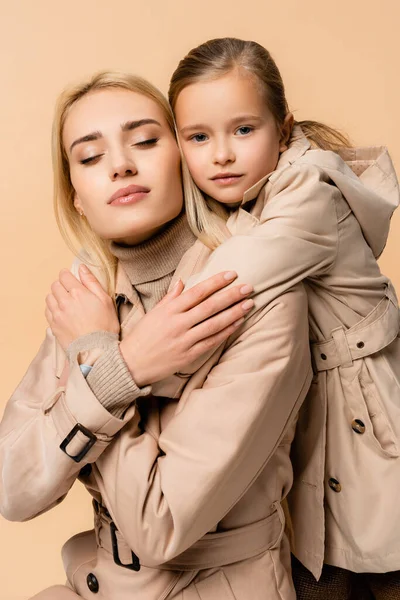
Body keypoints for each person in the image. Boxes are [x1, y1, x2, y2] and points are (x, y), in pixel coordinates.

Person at [0, 71, 312, 600]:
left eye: (144, 141)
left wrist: (101, 360)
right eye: (90, 157)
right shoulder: (87, 298)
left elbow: (160, 527)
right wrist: (122, 368)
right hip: (98, 580)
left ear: (184, 159)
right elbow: (13, 486)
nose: (121, 164)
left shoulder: (254, 291)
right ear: (76, 196)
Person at [168, 37, 400, 599]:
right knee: (322, 569)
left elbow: (228, 282)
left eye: (243, 130)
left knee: (382, 564)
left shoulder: (307, 190)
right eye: (199, 137)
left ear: (283, 126)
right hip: (312, 427)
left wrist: (129, 350)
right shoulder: (241, 200)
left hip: (370, 421)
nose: (221, 154)